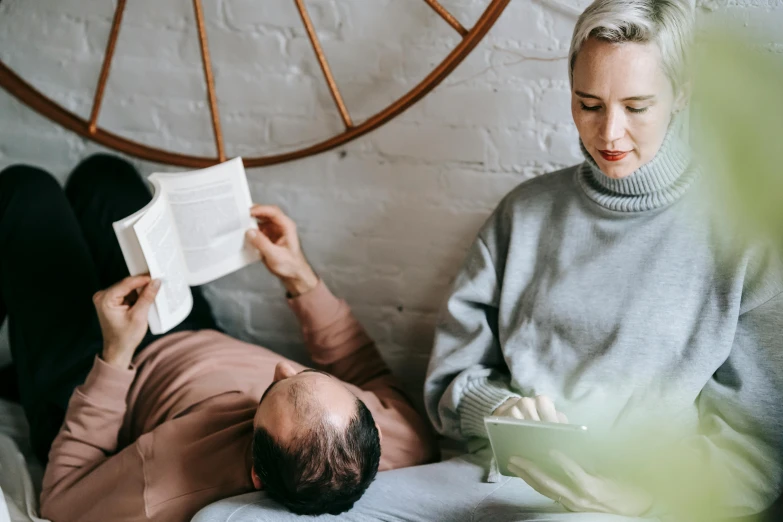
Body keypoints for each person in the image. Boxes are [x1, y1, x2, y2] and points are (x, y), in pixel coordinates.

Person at [193, 1, 783, 520]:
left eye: (637, 106)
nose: (610, 132)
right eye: (588, 103)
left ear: (682, 94)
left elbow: (756, 450)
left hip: (624, 504)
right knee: (229, 519)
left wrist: (641, 502)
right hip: (485, 480)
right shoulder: (525, 214)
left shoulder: (740, 237)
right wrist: (504, 411)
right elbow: (449, 384)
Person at [0, 153, 437, 522]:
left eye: (273, 388)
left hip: (99, 376)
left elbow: (60, 499)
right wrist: (300, 276)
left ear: (257, 477)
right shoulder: (402, 438)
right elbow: (366, 367)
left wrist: (115, 354)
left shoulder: (170, 481)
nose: (282, 365)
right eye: (310, 373)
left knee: (24, 189)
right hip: (187, 328)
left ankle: (29, 375)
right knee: (103, 175)